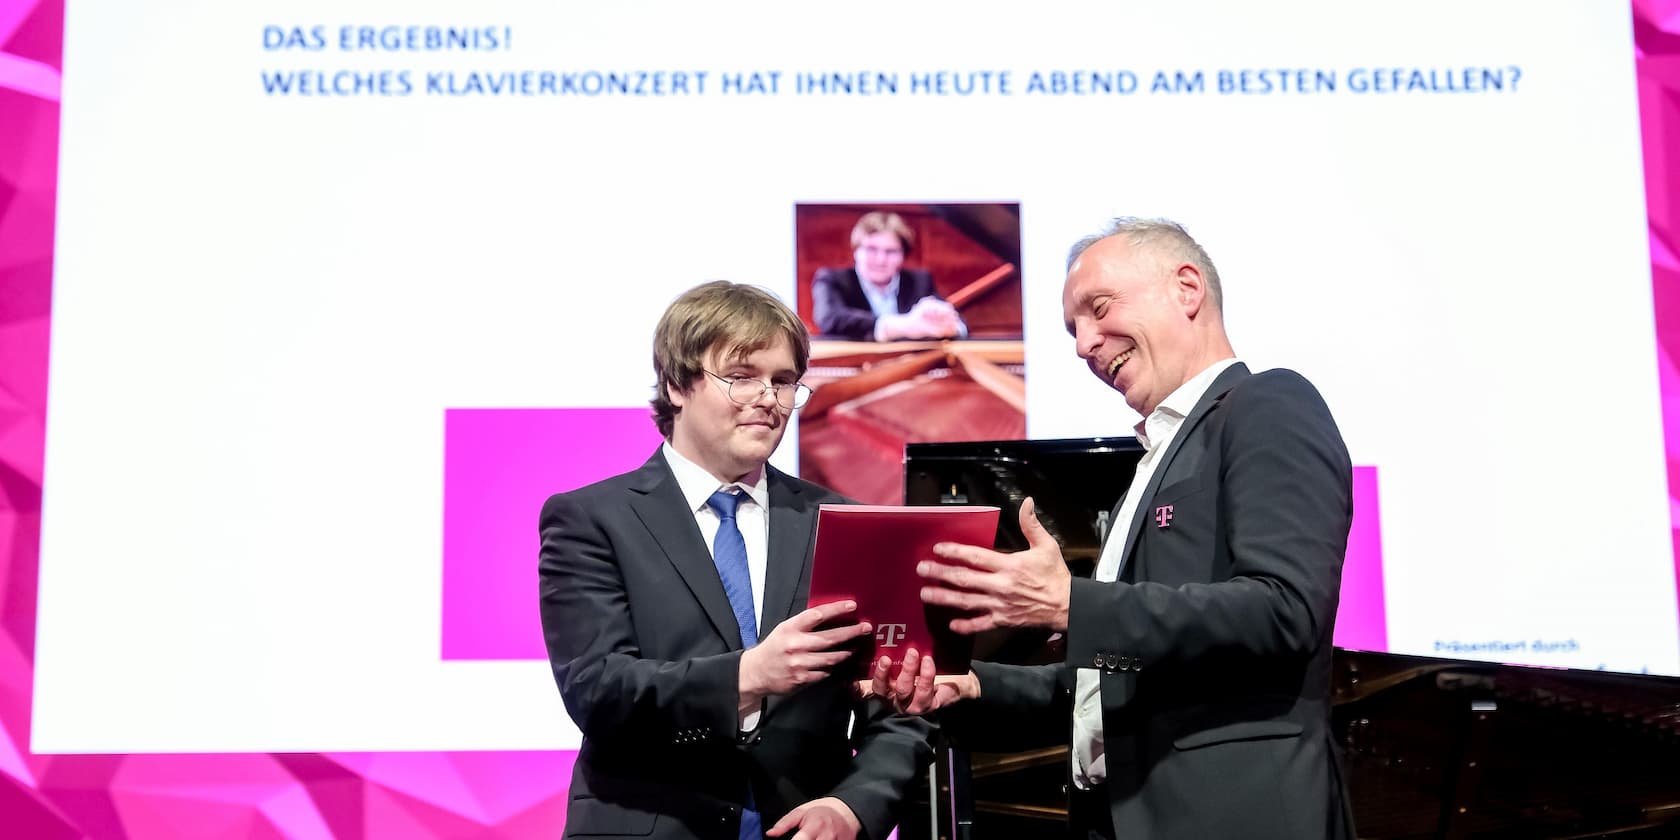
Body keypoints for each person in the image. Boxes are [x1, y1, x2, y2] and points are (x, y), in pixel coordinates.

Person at [874, 218, 1356, 839]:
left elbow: (1285, 611)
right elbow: (1106, 692)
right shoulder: (1152, 463)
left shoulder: (1269, 404)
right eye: (1073, 329)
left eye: (1097, 311)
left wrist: (1070, 603)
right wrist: (965, 688)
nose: (1082, 345)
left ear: (1187, 288)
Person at [539, 281, 933, 839]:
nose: (769, 399)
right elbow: (599, 691)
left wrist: (854, 806)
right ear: (677, 384)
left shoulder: (841, 521)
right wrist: (749, 675)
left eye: (783, 381)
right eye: (742, 377)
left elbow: (897, 705)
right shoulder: (592, 519)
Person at [811, 211, 967, 341]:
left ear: (903, 256)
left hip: (910, 367)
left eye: (890, 251)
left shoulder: (920, 281)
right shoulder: (832, 279)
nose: (880, 260)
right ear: (856, 251)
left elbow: (959, 325)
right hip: (850, 366)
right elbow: (829, 318)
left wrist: (948, 323)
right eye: (871, 249)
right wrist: (903, 325)